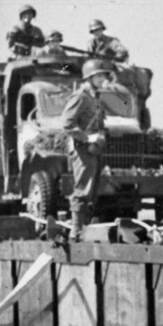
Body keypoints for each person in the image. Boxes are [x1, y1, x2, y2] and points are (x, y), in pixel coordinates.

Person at [61, 59, 115, 234]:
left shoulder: (95, 97)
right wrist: (87, 137)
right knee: (83, 188)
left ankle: (85, 228)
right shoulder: (81, 96)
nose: (102, 79)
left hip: (94, 148)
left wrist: (100, 136)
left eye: (103, 75)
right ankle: (76, 230)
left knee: (92, 190)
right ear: (89, 78)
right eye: (98, 76)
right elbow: (67, 123)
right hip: (82, 148)